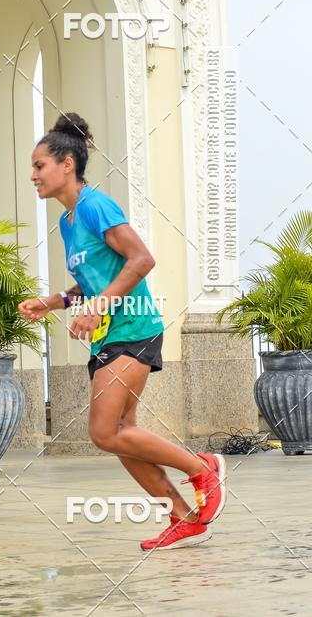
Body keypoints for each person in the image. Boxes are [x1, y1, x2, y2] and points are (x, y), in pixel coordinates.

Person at [18, 112, 226, 551]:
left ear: (66, 165)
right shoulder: (68, 222)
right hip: (110, 335)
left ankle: (202, 468)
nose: (33, 174)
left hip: (135, 328)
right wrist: (54, 301)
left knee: (104, 432)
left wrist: (97, 306)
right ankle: (182, 515)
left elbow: (141, 260)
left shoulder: (95, 206)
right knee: (122, 433)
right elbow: (93, 279)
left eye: (40, 165)